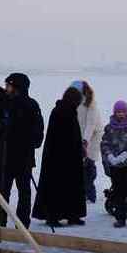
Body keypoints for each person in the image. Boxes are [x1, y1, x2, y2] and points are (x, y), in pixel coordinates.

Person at [33, 87, 87, 227]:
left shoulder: (68, 110)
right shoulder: (60, 111)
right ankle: (53, 216)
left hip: (70, 157)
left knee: (71, 187)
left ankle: (72, 215)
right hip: (58, 158)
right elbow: (59, 137)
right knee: (57, 188)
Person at [0, 73, 45, 228]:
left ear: (16, 87)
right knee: (11, 192)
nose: (6, 88)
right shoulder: (7, 103)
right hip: (12, 156)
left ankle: (17, 225)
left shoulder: (30, 105)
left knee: (20, 192)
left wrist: (29, 142)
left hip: (21, 157)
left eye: (8, 86)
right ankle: (12, 225)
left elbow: (38, 130)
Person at [101, 100, 127, 228]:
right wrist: (110, 156)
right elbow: (104, 143)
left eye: (122, 112)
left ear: (126, 112)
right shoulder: (109, 128)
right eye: (118, 112)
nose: (120, 114)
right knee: (118, 192)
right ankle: (120, 218)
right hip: (115, 166)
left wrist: (125, 155)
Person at [71, 80, 104, 204]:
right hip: (81, 137)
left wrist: (85, 141)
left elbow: (91, 125)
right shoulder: (75, 102)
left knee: (88, 165)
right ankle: (82, 192)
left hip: (93, 138)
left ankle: (90, 194)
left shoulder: (91, 103)